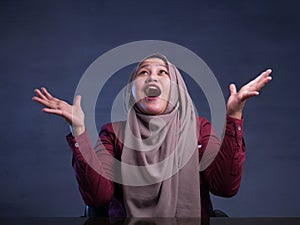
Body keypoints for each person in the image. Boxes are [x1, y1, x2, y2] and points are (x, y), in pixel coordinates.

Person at [32, 54, 272, 218]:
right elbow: (97, 197)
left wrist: (234, 116)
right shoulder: (113, 133)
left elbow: (225, 187)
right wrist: (79, 131)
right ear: (132, 90)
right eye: (143, 72)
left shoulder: (200, 129)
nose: (152, 77)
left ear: (177, 87)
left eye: (162, 72)